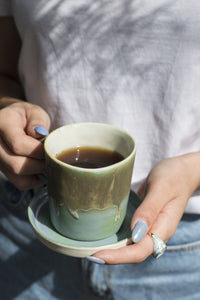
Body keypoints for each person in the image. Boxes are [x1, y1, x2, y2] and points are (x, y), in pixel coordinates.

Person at [1, 0, 200, 299]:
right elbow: (4, 73)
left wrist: (193, 171)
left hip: (178, 250)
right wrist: (7, 107)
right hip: (26, 232)